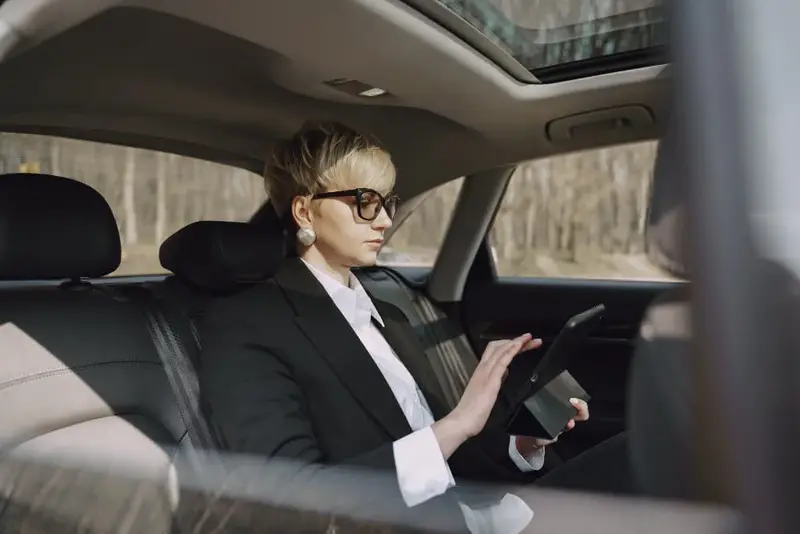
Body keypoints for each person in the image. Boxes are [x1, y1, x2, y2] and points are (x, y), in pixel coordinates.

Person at [199, 121, 631, 534]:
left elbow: (436, 457)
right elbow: (290, 502)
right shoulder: (248, 325)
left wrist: (524, 445)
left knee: (646, 450)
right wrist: (458, 423)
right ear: (304, 211)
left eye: (385, 202)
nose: (385, 220)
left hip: (483, 513)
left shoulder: (390, 315)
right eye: (365, 201)